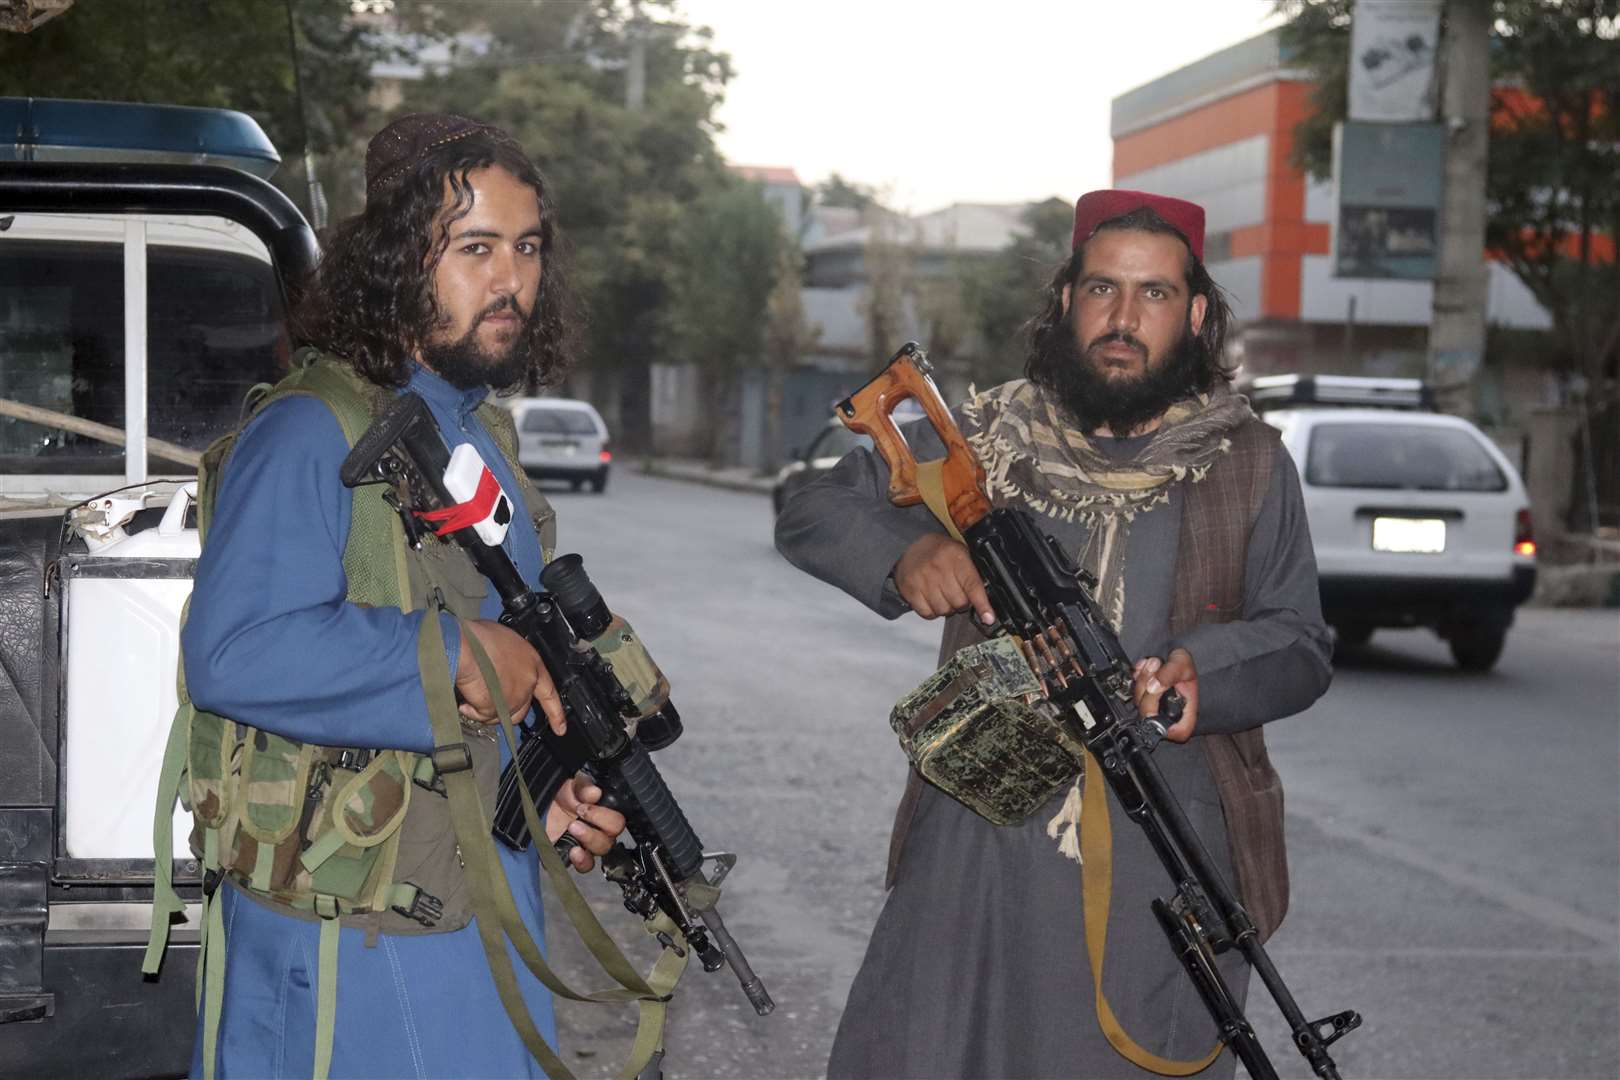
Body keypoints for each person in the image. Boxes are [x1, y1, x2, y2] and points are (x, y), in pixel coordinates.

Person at [775, 189, 1333, 1078]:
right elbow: (809, 505)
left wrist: (1204, 673)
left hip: (1164, 839)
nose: (1123, 318)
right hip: (980, 840)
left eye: (1153, 295)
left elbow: (1301, 641)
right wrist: (908, 552)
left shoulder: (1248, 465)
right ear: (1066, 301)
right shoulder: (984, 440)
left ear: (1194, 314)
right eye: (1102, 289)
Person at [174, 113, 626, 1078]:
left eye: (526, 247)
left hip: (474, 902)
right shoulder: (309, 432)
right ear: (395, 264)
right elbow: (237, 650)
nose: (510, 281)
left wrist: (550, 793)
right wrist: (458, 652)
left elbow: (504, 684)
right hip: (353, 933)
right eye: (473, 249)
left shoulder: (482, 443)